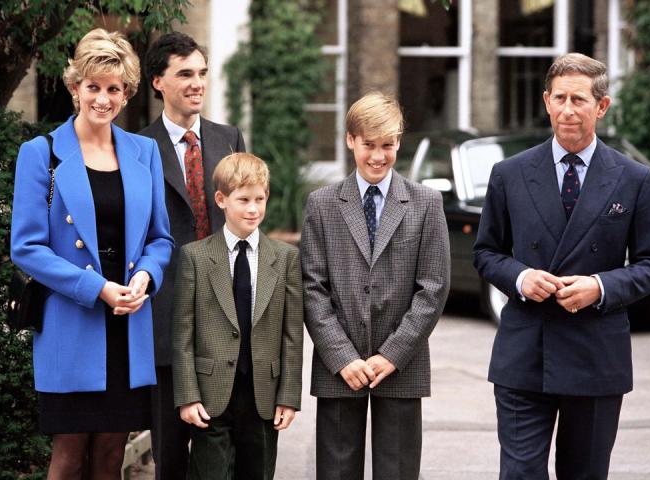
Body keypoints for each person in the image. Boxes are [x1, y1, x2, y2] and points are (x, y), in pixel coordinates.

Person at [472, 52, 650, 479]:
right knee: (520, 473)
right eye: (559, 98)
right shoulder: (510, 173)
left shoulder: (633, 178)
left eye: (578, 100)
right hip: (524, 353)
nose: (567, 109)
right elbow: (486, 253)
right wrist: (521, 278)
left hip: (596, 355)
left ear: (602, 106)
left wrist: (600, 286)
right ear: (546, 101)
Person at [10, 28, 174, 480]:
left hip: (127, 324)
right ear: (75, 87)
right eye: (94, 87)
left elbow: (161, 239)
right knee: (67, 458)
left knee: (109, 457)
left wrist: (145, 276)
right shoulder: (41, 153)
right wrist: (97, 287)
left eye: (114, 89)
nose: (103, 99)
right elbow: (25, 247)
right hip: (72, 322)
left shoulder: (144, 152)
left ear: (127, 93)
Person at [301, 91, 451, 479]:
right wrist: (342, 356)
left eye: (388, 145)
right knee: (335, 470)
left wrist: (393, 354)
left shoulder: (426, 203)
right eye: (369, 145)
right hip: (339, 368)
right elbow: (312, 287)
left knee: (398, 470)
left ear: (399, 141)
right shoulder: (322, 204)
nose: (378, 156)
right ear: (350, 139)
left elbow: (433, 288)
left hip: (402, 365)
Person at [138, 31, 247, 480]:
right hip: (165, 316)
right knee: (169, 452)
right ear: (158, 82)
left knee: (224, 453)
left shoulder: (229, 138)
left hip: (226, 314)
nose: (197, 83)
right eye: (185, 74)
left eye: (202, 73)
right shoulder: (137, 147)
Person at [170, 152, 303, 480]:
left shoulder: (285, 257)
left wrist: (289, 396)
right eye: (243, 200)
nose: (253, 208)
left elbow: (292, 334)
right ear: (221, 200)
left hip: (263, 397)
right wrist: (187, 396)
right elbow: (183, 332)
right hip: (210, 396)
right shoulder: (196, 257)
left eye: (260, 199)